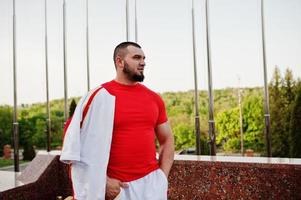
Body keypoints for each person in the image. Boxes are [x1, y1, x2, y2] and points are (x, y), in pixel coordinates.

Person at [60, 41, 174, 200]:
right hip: (116, 189)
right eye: (136, 58)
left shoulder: (154, 98)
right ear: (119, 62)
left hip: (151, 186)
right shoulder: (98, 96)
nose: (143, 62)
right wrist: (103, 181)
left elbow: (167, 139)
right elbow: (73, 144)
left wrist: (162, 177)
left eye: (143, 58)